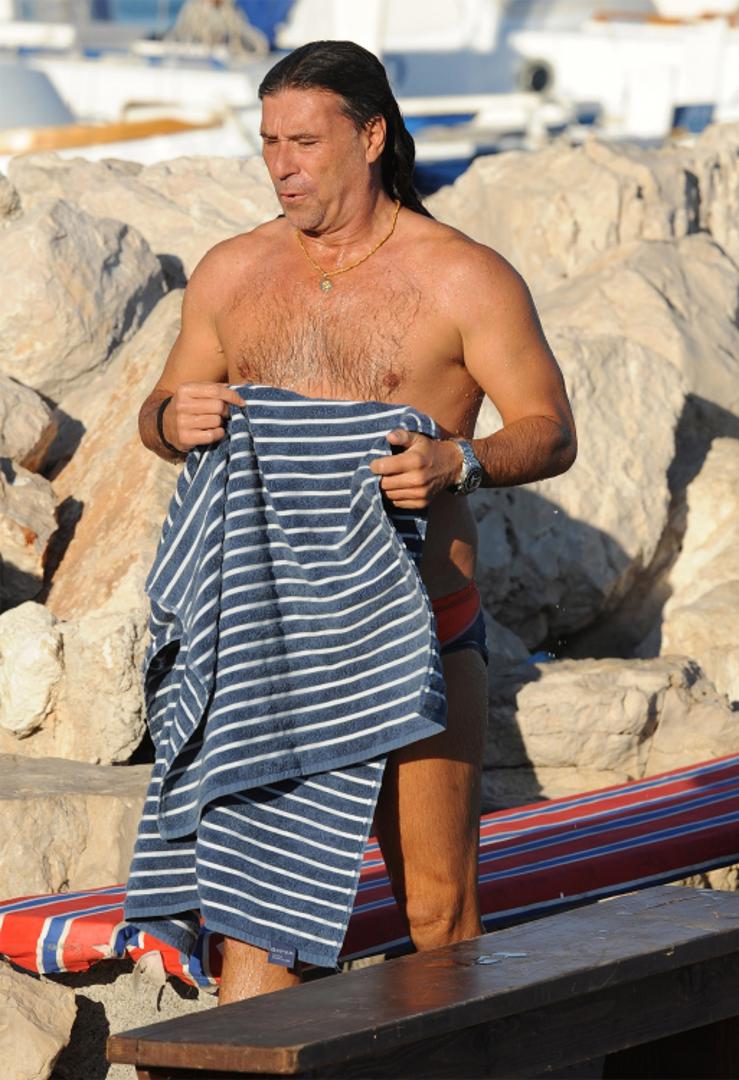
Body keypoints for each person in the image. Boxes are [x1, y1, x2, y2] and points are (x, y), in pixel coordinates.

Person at [136, 40, 576, 1004]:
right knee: (255, 925)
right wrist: (173, 421)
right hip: (268, 647)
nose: (281, 166)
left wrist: (458, 460)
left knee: (439, 916)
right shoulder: (233, 271)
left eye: (303, 142)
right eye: (268, 143)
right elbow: (159, 410)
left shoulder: (461, 277)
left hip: (417, 630)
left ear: (371, 137)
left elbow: (548, 430)